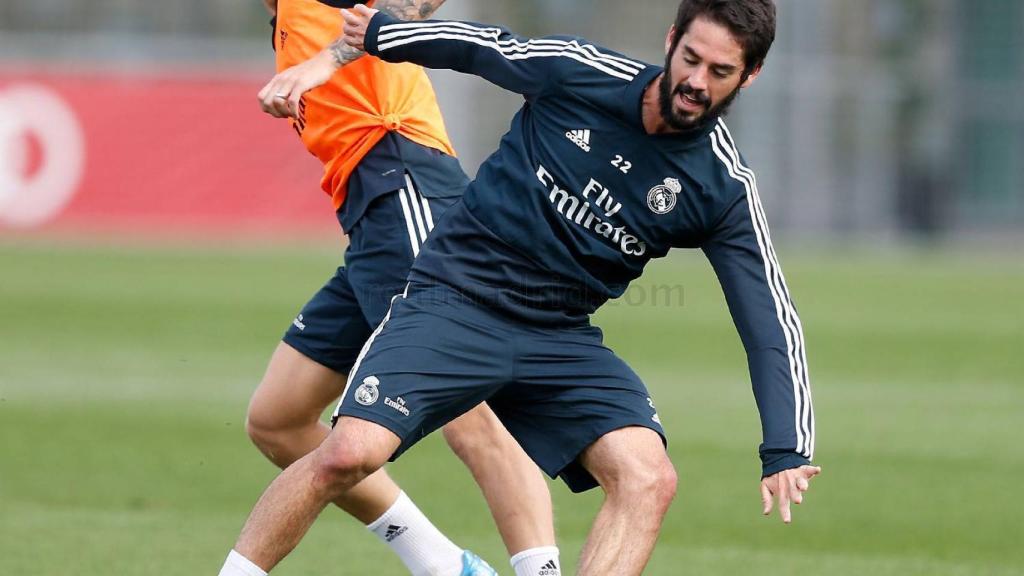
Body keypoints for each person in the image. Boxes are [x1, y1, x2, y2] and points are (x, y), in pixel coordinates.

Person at [219, 1, 822, 574]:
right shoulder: (587, 74)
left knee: (648, 476)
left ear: (749, 77)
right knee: (349, 453)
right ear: (671, 40)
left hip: (558, 337)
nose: (696, 82)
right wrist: (366, 40)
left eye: (720, 72)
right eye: (691, 59)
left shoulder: (721, 184)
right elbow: (483, 47)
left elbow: (769, 316)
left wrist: (786, 447)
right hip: (456, 300)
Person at [234, 1, 560, 575]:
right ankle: (443, 564)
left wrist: (328, 59)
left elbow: (412, 6)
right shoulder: (288, 15)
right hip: (372, 220)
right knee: (278, 419)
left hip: (409, 188)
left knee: (470, 417)